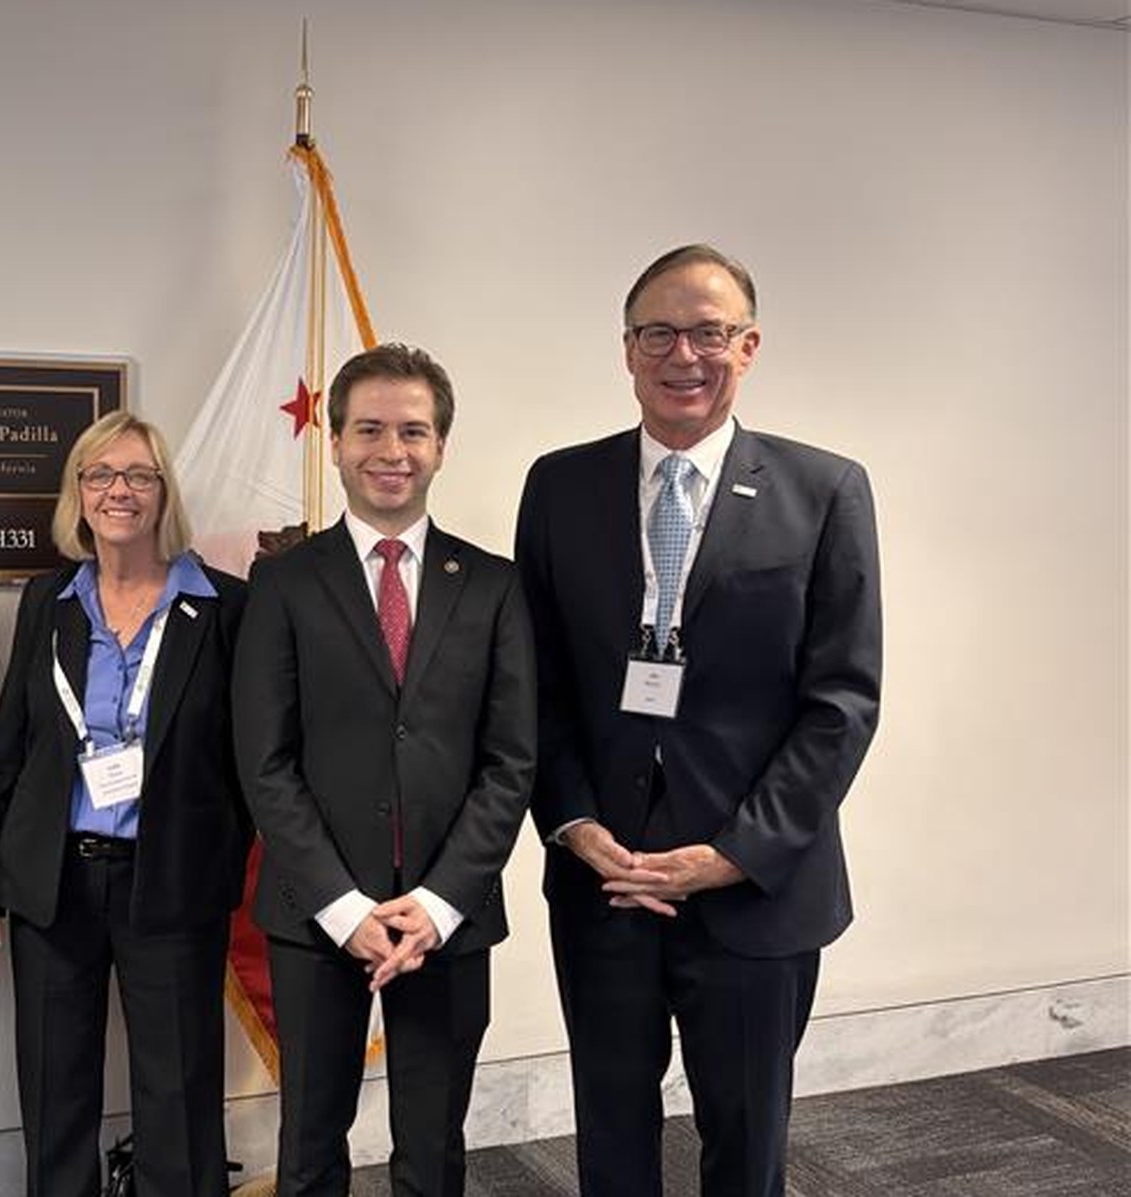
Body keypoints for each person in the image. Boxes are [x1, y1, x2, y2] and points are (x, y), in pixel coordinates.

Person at [514, 244, 882, 1197]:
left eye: (709, 332)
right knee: (610, 1128)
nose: (684, 354)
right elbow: (536, 686)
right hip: (603, 879)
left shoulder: (824, 491)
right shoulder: (559, 485)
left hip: (754, 889)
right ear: (627, 349)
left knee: (746, 1133)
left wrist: (731, 854)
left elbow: (840, 702)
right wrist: (575, 824)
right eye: (658, 333)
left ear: (747, 345)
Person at [232, 343, 536, 1197]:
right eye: (368, 428)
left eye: (412, 430)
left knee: (433, 1145)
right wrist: (341, 904)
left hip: (448, 914)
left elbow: (510, 762)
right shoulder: (282, 582)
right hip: (318, 917)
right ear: (333, 442)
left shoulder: (493, 586)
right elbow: (264, 761)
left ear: (440, 445)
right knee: (310, 1141)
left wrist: (437, 904)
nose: (389, 450)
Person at [0, 410, 248, 1197]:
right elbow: (10, 746)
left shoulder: (222, 606)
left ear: (163, 492)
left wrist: (219, 862)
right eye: (100, 475)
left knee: (179, 1092)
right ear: (77, 493)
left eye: (138, 475)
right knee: (55, 1090)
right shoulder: (48, 601)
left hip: (171, 882)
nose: (118, 490)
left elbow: (249, 759)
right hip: (54, 882)